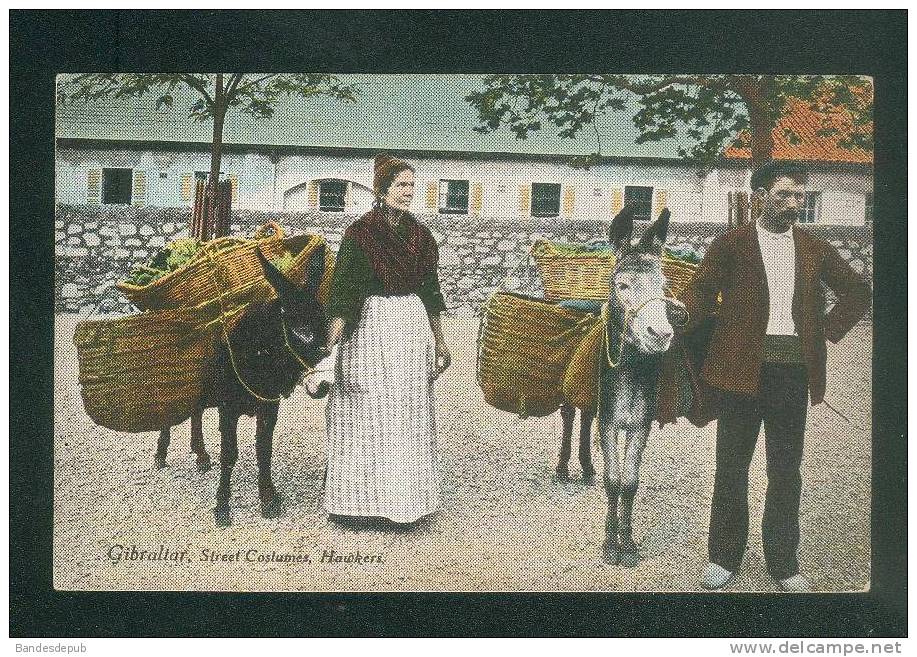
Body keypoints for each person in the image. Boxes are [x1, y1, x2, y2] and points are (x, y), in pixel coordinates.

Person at [679, 160, 871, 591]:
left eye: (799, 195)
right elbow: (699, 293)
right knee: (732, 467)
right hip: (739, 374)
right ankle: (724, 559)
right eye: (784, 194)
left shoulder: (813, 247)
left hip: (792, 374)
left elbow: (858, 290)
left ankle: (784, 564)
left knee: (785, 471)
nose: (794, 202)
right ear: (759, 196)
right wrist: (688, 320)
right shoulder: (731, 244)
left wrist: (824, 331)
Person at [322, 153, 451, 525]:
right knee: (361, 411)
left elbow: (431, 290)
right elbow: (343, 292)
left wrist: (439, 340)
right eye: (401, 185)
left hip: (409, 327)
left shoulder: (421, 236)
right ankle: (355, 505)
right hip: (369, 326)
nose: (408, 192)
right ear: (382, 190)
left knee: (405, 414)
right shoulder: (360, 233)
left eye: (412, 186)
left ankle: (405, 505)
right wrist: (331, 345)